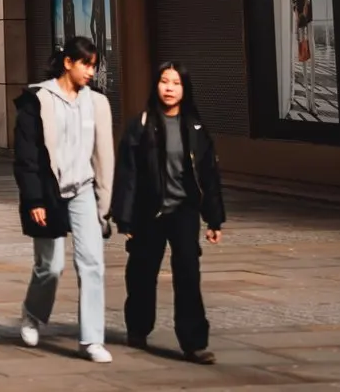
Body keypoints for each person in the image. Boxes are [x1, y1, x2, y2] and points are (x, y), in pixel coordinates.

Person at [113, 62, 225, 364]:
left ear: (184, 89)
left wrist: (214, 219)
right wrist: (124, 217)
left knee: (188, 273)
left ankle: (194, 343)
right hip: (149, 212)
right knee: (141, 273)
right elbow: (128, 173)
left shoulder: (196, 127)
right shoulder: (142, 124)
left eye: (176, 83)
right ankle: (138, 328)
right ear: (156, 85)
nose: (170, 88)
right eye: (164, 81)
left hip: (184, 211)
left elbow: (209, 176)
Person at [14, 36, 115, 363]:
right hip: (49, 193)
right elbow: (26, 157)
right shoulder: (38, 100)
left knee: (92, 264)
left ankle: (91, 340)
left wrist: (104, 205)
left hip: (83, 190)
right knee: (51, 267)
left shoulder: (97, 102)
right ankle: (32, 314)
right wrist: (34, 201)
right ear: (68, 62)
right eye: (86, 64)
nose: (91, 71)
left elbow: (104, 156)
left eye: (94, 65)